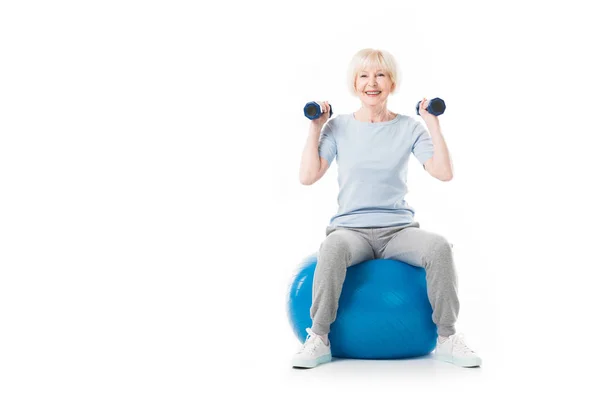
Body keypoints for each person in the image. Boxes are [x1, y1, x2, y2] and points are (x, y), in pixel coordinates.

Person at [292, 48, 482, 369]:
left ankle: (448, 338)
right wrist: (315, 128)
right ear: (355, 83)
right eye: (364, 75)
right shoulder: (338, 128)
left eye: (380, 75)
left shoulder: (409, 128)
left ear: (391, 82)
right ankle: (319, 338)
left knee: (438, 247)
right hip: (351, 231)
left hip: (397, 231)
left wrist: (432, 122)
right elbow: (308, 176)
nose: (372, 83)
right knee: (332, 248)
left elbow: (443, 172)